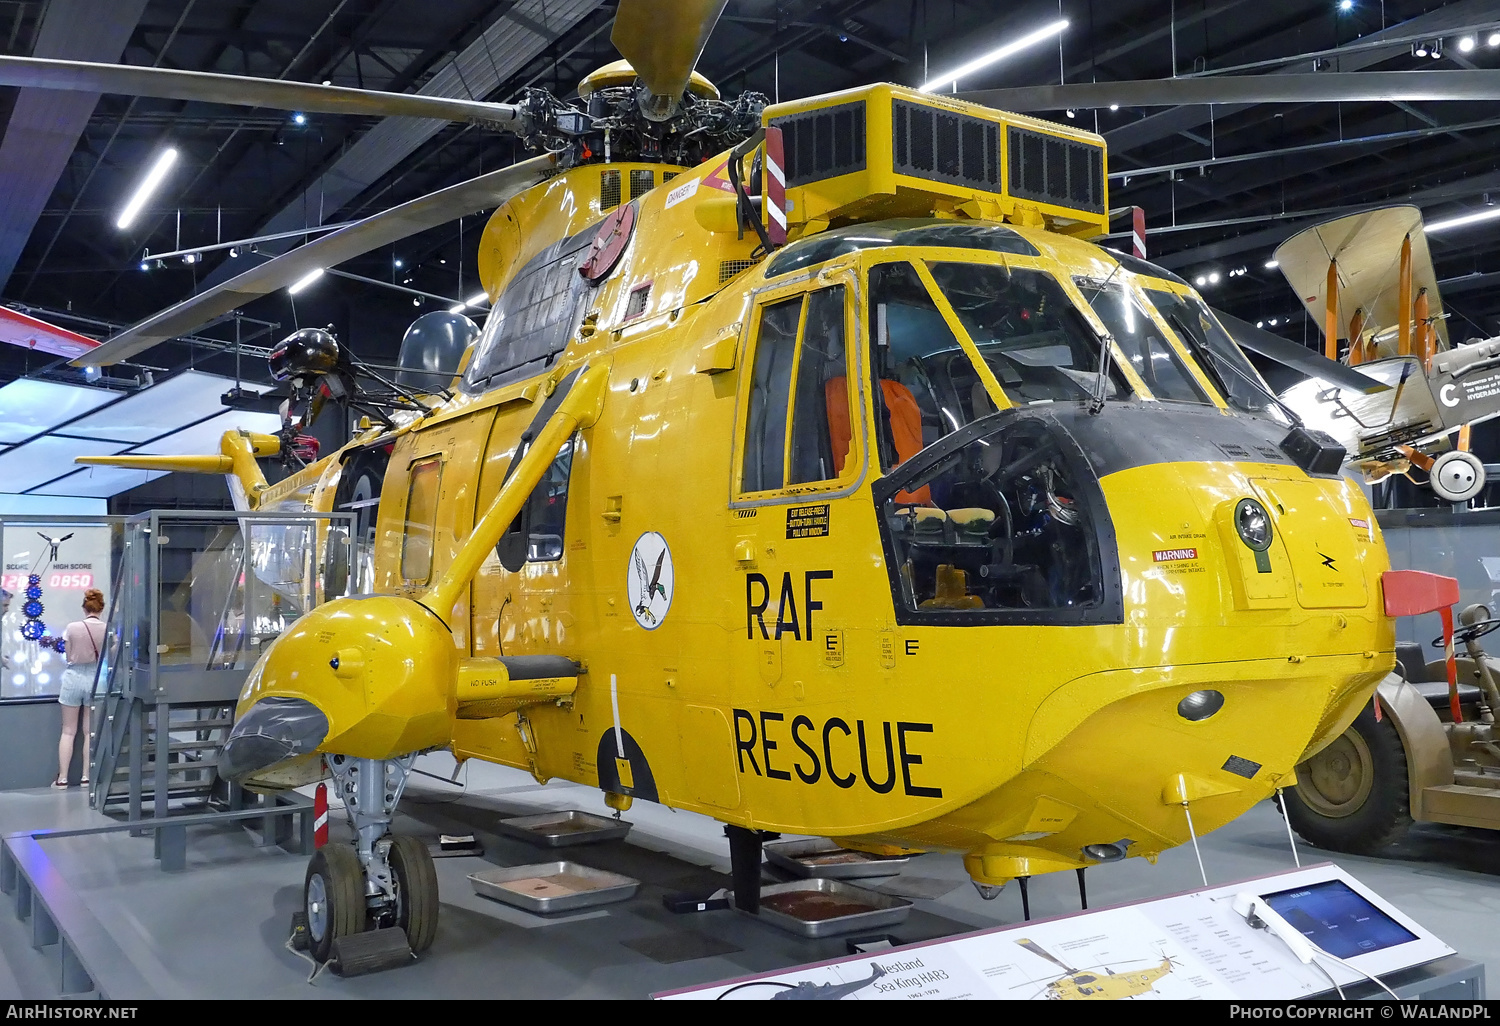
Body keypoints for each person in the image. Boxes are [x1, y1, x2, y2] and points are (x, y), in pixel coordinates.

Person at [55, 589, 105, 788]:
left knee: (68, 731)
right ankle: (86, 776)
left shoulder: (72, 628)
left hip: (73, 678)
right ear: (101, 608)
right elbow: (109, 655)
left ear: (84, 607)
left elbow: (68, 656)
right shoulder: (107, 628)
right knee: (89, 731)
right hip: (96, 679)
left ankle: (63, 778)